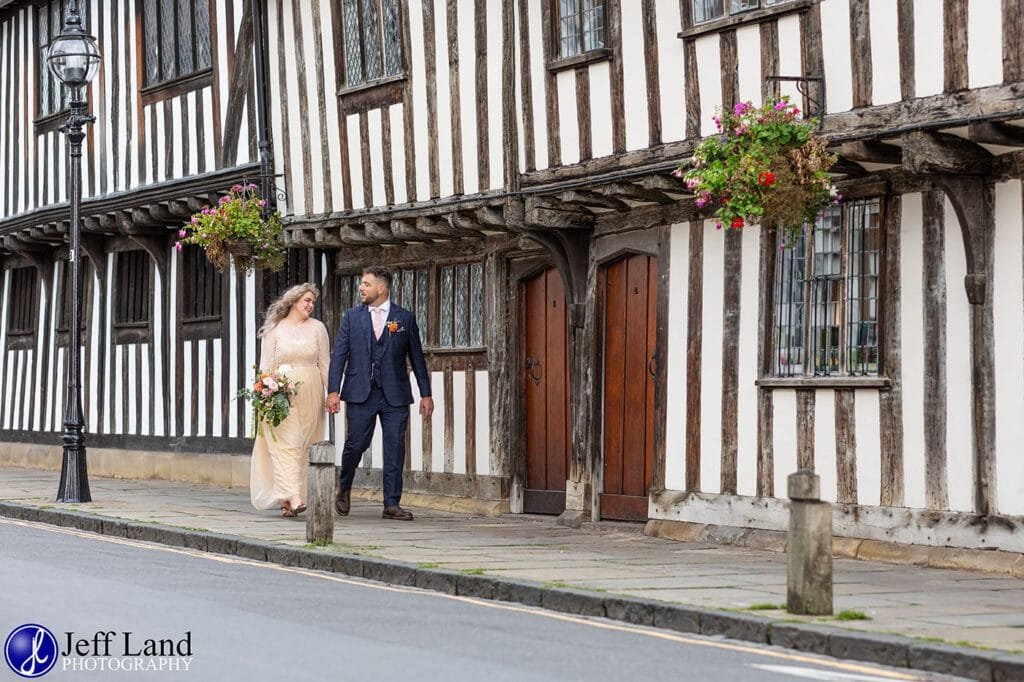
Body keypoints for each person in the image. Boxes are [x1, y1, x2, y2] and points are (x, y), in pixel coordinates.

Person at [326, 267, 434, 520]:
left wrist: (425, 393)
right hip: (360, 392)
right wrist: (333, 391)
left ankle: (391, 503)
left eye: (366, 284)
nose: (361, 288)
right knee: (356, 444)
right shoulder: (352, 317)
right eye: (361, 284)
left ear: (381, 289)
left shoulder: (404, 318)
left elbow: (416, 357)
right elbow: (339, 355)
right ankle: (344, 486)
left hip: (395, 394)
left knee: (395, 447)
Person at [250, 283, 330, 518]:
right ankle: (295, 497)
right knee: (287, 444)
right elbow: (265, 366)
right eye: (306, 300)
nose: (310, 305)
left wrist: (333, 392)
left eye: (312, 302)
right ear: (293, 301)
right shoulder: (274, 330)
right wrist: (264, 391)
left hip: (311, 392)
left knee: (304, 444)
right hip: (281, 394)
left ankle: (288, 498)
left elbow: (325, 364)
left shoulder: (318, 329)